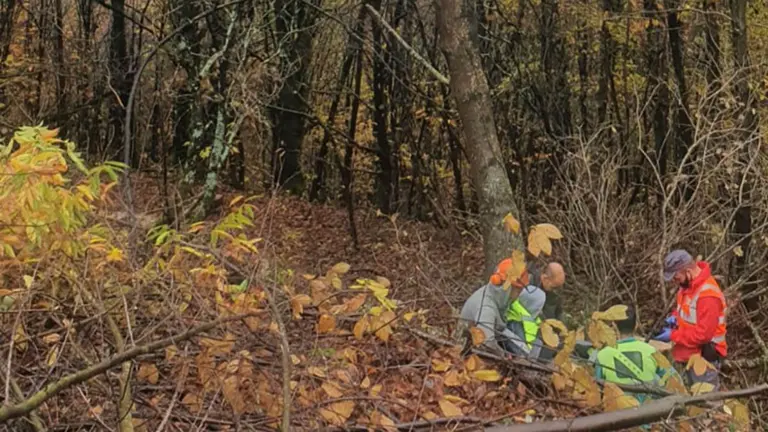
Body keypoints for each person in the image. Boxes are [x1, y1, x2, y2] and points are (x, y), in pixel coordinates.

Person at [652, 249, 727, 390]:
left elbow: (703, 335)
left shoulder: (708, 296)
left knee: (707, 402)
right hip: (688, 354)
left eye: (676, 277)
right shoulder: (687, 287)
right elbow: (686, 311)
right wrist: (674, 318)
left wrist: (673, 335)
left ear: (687, 271)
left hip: (704, 359)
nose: (675, 282)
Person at [593, 305, 677, 404]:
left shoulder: (602, 355)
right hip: (649, 411)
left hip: (617, 412)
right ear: (636, 325)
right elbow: (674, 378)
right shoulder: (651, 351)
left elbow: (597, 392)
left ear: (614, 326)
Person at [457, 259, 528, 355]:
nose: (519, 294)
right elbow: (486, 344)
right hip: (469, 350)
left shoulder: (496, 295)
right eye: (518, 290)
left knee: (523, 348)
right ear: (507, 288)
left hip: (496, 333)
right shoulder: (486, 308)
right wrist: (504, 355)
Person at [503, 262, 566, 359]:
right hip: (525, 332)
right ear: (545, 278)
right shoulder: (526, 285)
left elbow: (559, 314)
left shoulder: (555, 294)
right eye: (555, 287)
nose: (557, 291)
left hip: (546, 334)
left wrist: (562, 333)